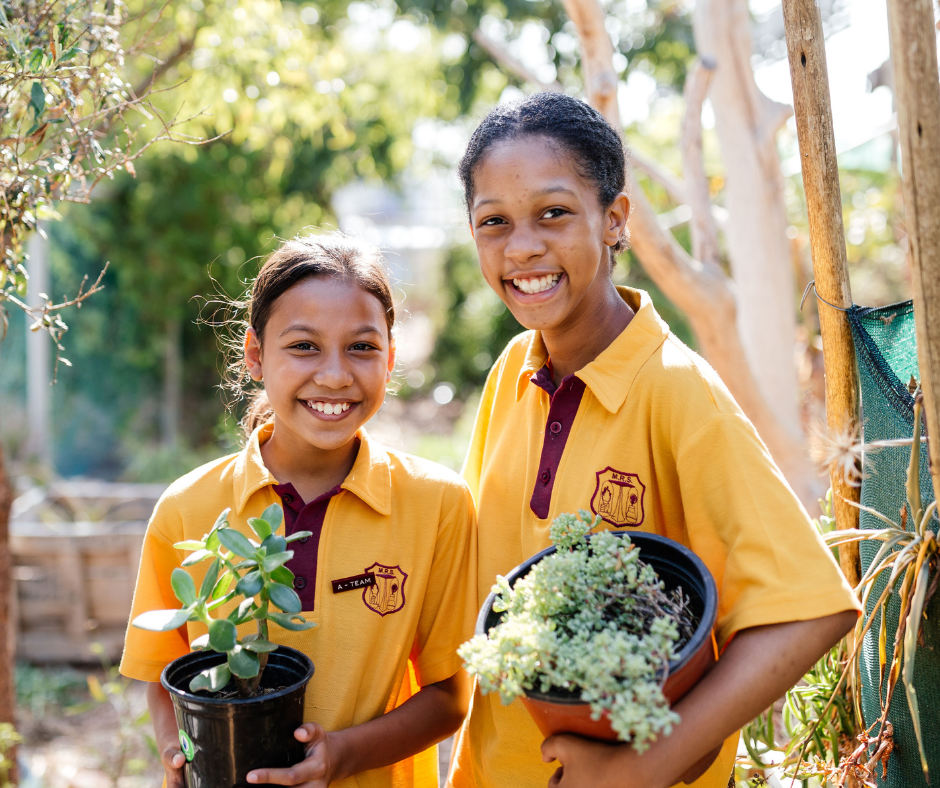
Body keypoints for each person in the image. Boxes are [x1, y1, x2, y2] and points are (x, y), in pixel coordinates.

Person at [447, 92, 860, 788]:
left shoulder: (676, 391)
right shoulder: (511, 373)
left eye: (553, 212)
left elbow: (809, 612)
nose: (522, 246)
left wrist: (643, 766)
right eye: (494, 222)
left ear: (615, 220)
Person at [120, 232, 477, 788]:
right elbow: (165, 676)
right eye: (304, 346)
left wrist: (344, 754)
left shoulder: (439, 505)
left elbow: (451, 698)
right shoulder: (187, 510)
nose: (334, 375)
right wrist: (179, 754)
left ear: (390, 359)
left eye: (361, 347)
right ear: (255, 356)